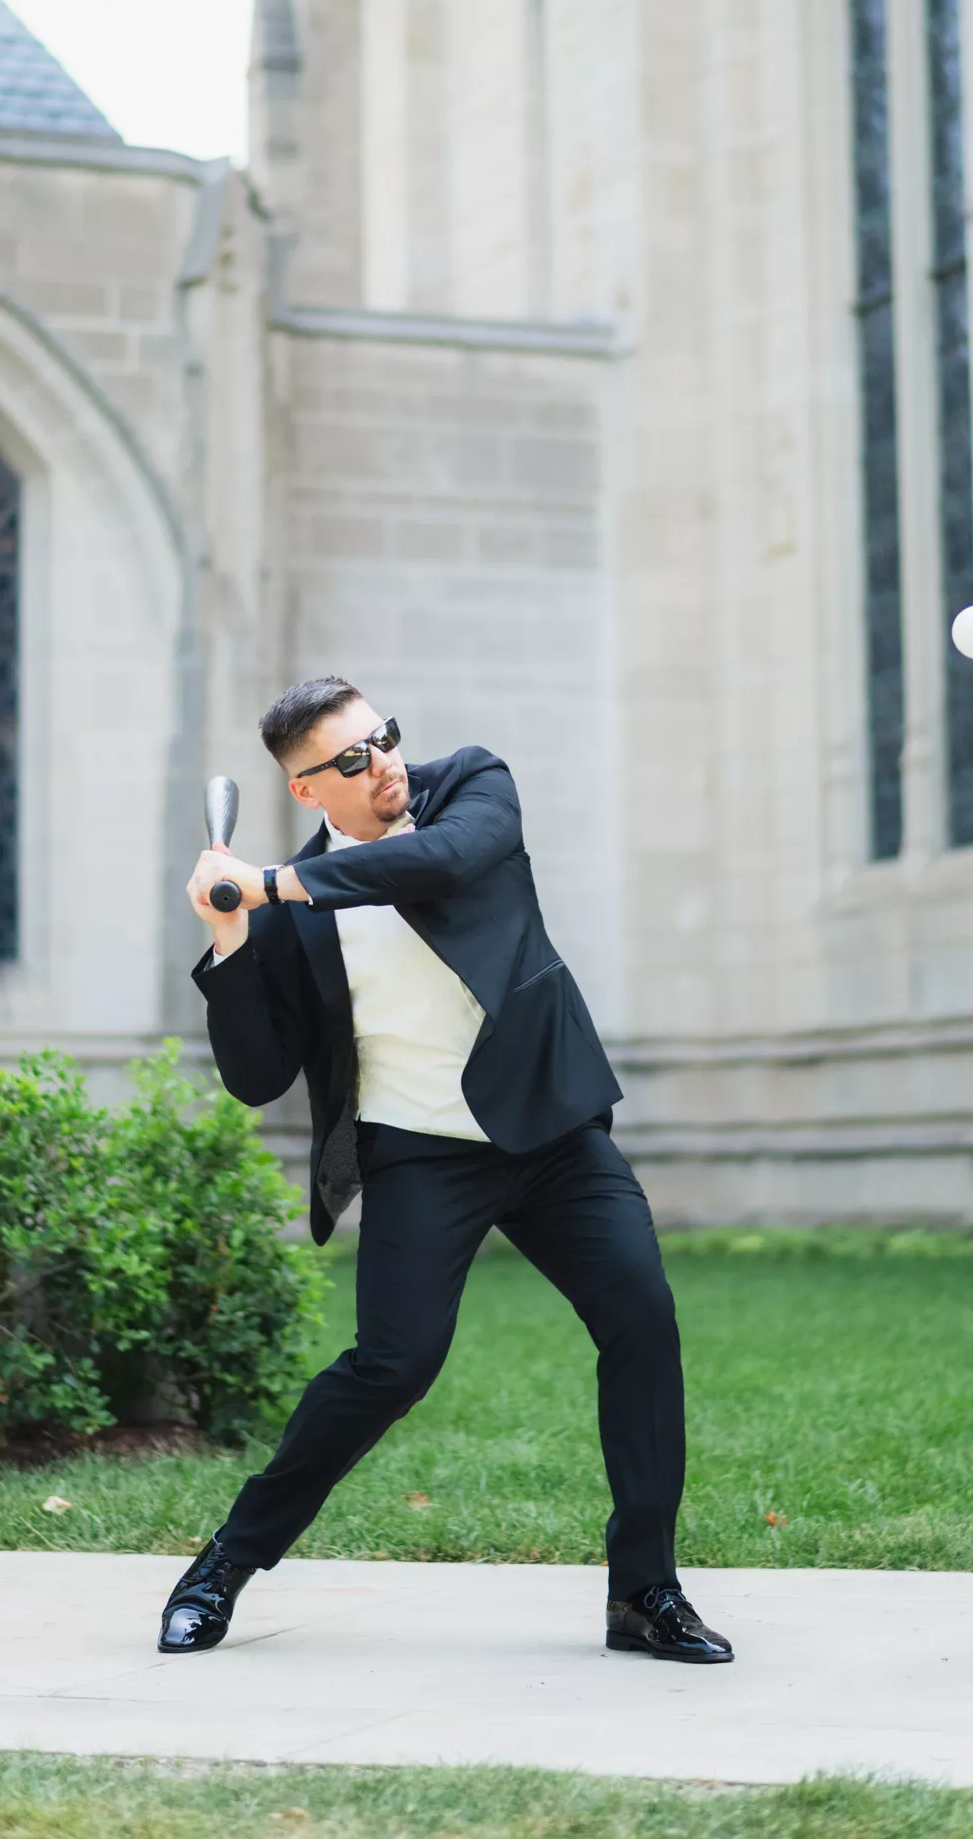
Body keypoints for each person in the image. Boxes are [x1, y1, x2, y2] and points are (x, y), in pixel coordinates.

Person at [158, 677, 732, 1665]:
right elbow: (257, 1076)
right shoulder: (288, 908)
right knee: (393, 1363)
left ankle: (645, 1589)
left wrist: (274, 883)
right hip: (418, 1150)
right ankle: (222, 1564)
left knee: (641, 1312)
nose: (381, 763)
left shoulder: (469, 786)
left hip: (548, 1129)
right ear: (307, 790)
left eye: (380, 737)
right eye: (349, 759)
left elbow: (442, 860)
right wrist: (231, 938)